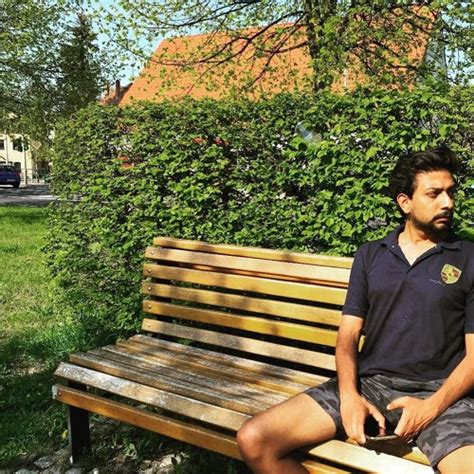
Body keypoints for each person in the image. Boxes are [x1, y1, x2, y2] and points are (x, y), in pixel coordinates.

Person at [236, 147, 474, 473]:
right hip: (370, 385)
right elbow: (348, 335)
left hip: (441, 394)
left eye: (450, 192)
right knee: (255, 439)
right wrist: (349, 396)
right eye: (434, 194)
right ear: (405, 202)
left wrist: (430, 408)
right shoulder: (371, 255)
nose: (447, 202)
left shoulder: (468, 258)